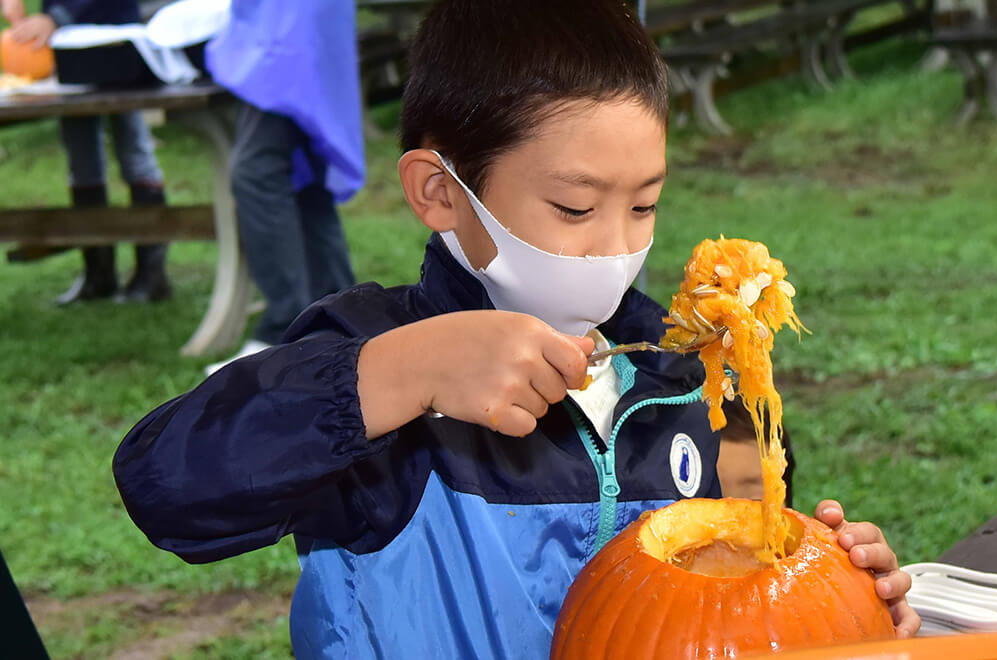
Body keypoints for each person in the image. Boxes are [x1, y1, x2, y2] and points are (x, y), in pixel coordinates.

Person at [113, 1, 920, 657]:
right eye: (574, 207)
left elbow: (753, 557)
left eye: (644, 203)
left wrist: (834, 597)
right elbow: (167, 489)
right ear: (440, 192)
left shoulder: (704, 378)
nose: (616, 247)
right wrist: (401, 374)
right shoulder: (370, 353)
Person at [200, 0, 363, 375]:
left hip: (290, 21)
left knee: (257, 170)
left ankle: (286, 329)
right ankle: (339, 319)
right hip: (281, 19)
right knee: (303, 170)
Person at [2, 0, 172, 304]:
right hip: (68, 49)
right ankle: (98, 274)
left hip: (116, 40)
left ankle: (152, 275)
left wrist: (56, 17)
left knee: (133, 150)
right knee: (82, 160)